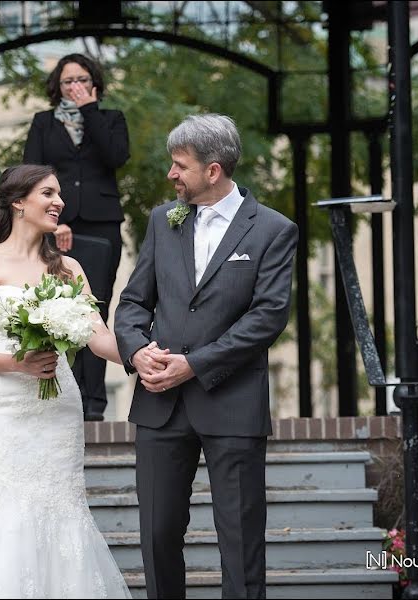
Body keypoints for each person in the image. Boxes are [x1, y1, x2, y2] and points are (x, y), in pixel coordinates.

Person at [114, 114, 299, 599]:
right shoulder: (162, 220)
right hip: (159, 406)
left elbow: (267, 318)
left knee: (240, 543)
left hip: (232, 404)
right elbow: (134, 302)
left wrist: (194, 364)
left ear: (212, 170)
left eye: (180, 166)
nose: (171, 175)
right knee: (156, 537)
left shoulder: (274, 230)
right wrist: (137, 352)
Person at [0, 164, 131, 599]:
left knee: (61, 509)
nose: (58, 201)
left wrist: (142, 354)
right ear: (18, 202)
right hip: (1, 410)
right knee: (0, 513)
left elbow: (98, 338)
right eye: (48, 192)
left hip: (57, 407)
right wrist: (17, 364)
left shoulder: (69, 269)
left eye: (59, 192)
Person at [23, 52, 130, 421]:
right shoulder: (42, 123)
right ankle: (59, 397)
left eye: (82, 79)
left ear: (94, 83)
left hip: (102, 224)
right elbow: (32, 173)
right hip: (57, 223)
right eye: (68, 81)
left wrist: (90, 111)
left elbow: (116, 156)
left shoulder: (111, 119)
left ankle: (94, 405)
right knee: (55, 309)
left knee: (95, 310)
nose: (75, 86)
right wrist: (55, 219)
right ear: (58, 86)